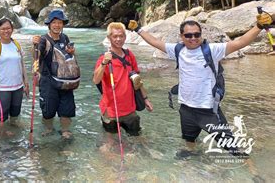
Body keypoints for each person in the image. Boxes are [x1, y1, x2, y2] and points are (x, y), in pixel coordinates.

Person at [128, 13, 272, 154]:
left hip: (208, 109)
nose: (193, 38)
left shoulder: (212, 50)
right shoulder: (178, 50)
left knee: (232, 147)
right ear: (181, 37)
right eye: (189, 35)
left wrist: (258, 26)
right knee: (189, 141)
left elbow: (239, 43)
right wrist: (138, 29)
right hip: (186, 109)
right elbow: (156, 42)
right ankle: (192, 166)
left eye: (197, 34)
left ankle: (251, 171)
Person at [93, 22, 153, 136]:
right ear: (109, 38)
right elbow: (96, 80)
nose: (118, 39)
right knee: (110, 142)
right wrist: (104, 63)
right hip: (111, 110)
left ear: (125, 37)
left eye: (121, 36)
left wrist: (145, 99)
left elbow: (137, 80)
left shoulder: (129, 55)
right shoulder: (104, 58)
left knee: (137, 138)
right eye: (115, 36)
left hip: (130, 109)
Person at [32, 9, 77, 139]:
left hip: (65, 81)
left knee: (66, 110)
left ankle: (65, 130)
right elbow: (36, 57)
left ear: (63, 24)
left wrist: (72, 52)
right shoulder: (43, 40)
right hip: (48, 82)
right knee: (48, 111)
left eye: (60, 22)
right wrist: (34, 46)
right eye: (54, 22)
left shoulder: (65, 37)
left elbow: (69, 57)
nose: (57, 25)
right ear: (49, 24)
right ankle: (49, 128)